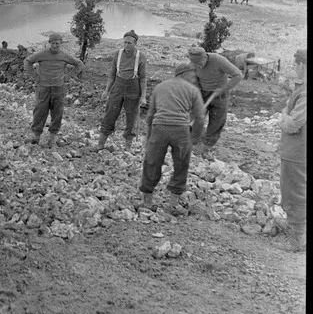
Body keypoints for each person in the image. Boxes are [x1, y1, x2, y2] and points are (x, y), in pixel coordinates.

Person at [139, 63, 205, 214]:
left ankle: (147, 202)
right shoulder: (193, 90)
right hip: (181, 130)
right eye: (192, 74)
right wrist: (194, 138)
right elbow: (200, 118)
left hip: (159, 128)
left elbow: (150, 115)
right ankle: (173, 204)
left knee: (152, 162)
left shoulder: (160, 87)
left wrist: (149, 137)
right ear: (183, 74)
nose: (194, 78)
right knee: (181, 164)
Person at [24, 32, 84, 148]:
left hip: (58, 88)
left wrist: (69, 76)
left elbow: (79, 64)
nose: (55, 45)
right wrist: (35, 76)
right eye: (53, 43)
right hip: (43, 87)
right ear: (49, 43)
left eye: (57, 43)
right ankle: (36, 136)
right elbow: (27, 61)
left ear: (61, 43)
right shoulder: (42, 54)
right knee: (40, 111)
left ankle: (52, 138)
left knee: (57, 112)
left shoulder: (64, 55)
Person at [92, 30, 147, 151]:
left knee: (131, 117)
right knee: (110, 113)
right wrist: (106, 90)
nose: (126, 45)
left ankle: (127, 146)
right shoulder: (118, 54)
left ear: (135, 43)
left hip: (133, 90)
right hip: (118, 87)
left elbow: (143, 78)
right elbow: (112, 74)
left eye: (129, 43)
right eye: (125, 42)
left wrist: (143, 96)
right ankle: (101, 143)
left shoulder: (140, 56)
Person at [277, 49, 306, 252]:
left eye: (295, 65)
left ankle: (297, 239)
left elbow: (292, 124)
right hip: (298, 149)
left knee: (294, 192)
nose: (294, 69)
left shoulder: (305, 92)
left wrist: (282, 118)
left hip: (297, 150)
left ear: (302, 66)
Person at [187, 46, 242, 151]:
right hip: (202, 92)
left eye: (199, 64)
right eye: (195, 64)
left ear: (204, 58)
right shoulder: (193, 64)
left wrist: (223, 89)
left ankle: (207, 145)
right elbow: (193, 79)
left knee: (217, 120)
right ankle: (193, 140)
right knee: (195, 116)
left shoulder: (218, 60)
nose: (198, 66)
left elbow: (238, 75)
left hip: (220, 94)